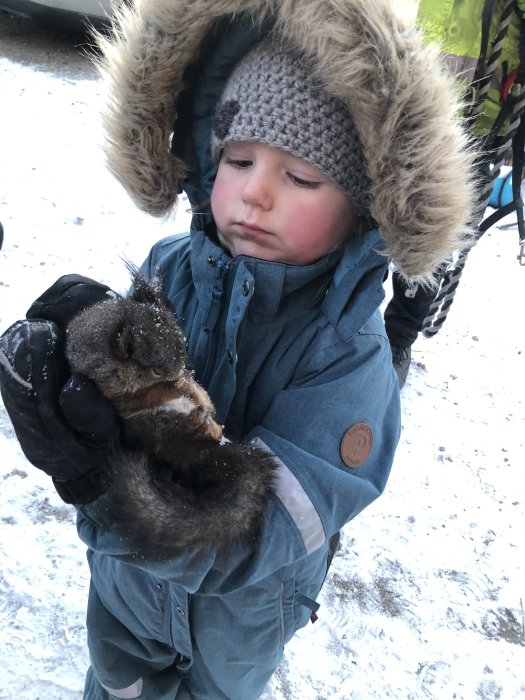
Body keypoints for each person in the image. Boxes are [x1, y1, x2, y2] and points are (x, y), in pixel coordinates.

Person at [0, 1, 475, 698]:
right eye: (239, 158)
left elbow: (264, 531)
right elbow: (127, 398)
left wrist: (107, 488)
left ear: (363, 206)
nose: (253, 192)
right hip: (127, 589)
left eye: (301, 177)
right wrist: (80, 367)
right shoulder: (169, 268)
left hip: (245, 615)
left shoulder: (345, 357)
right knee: (115, 680)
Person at [385, 0, 523, 388]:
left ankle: (398, 340)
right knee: (368, 214)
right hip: (405, 87)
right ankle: (346, 324)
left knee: (432, 236)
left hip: (479, 113)